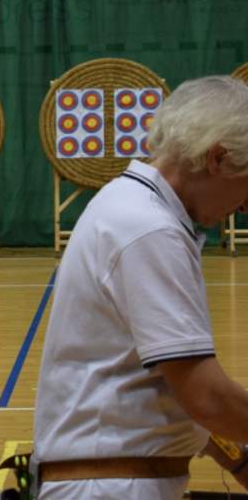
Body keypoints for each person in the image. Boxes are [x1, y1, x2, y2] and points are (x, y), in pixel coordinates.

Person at [33, 75, 248, 498]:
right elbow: (204, 395)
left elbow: (161, 388)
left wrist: (239, 460)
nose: (244, 206)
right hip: (112, 486)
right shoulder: (149, 229)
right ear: (218, 158)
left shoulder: (130, 207)